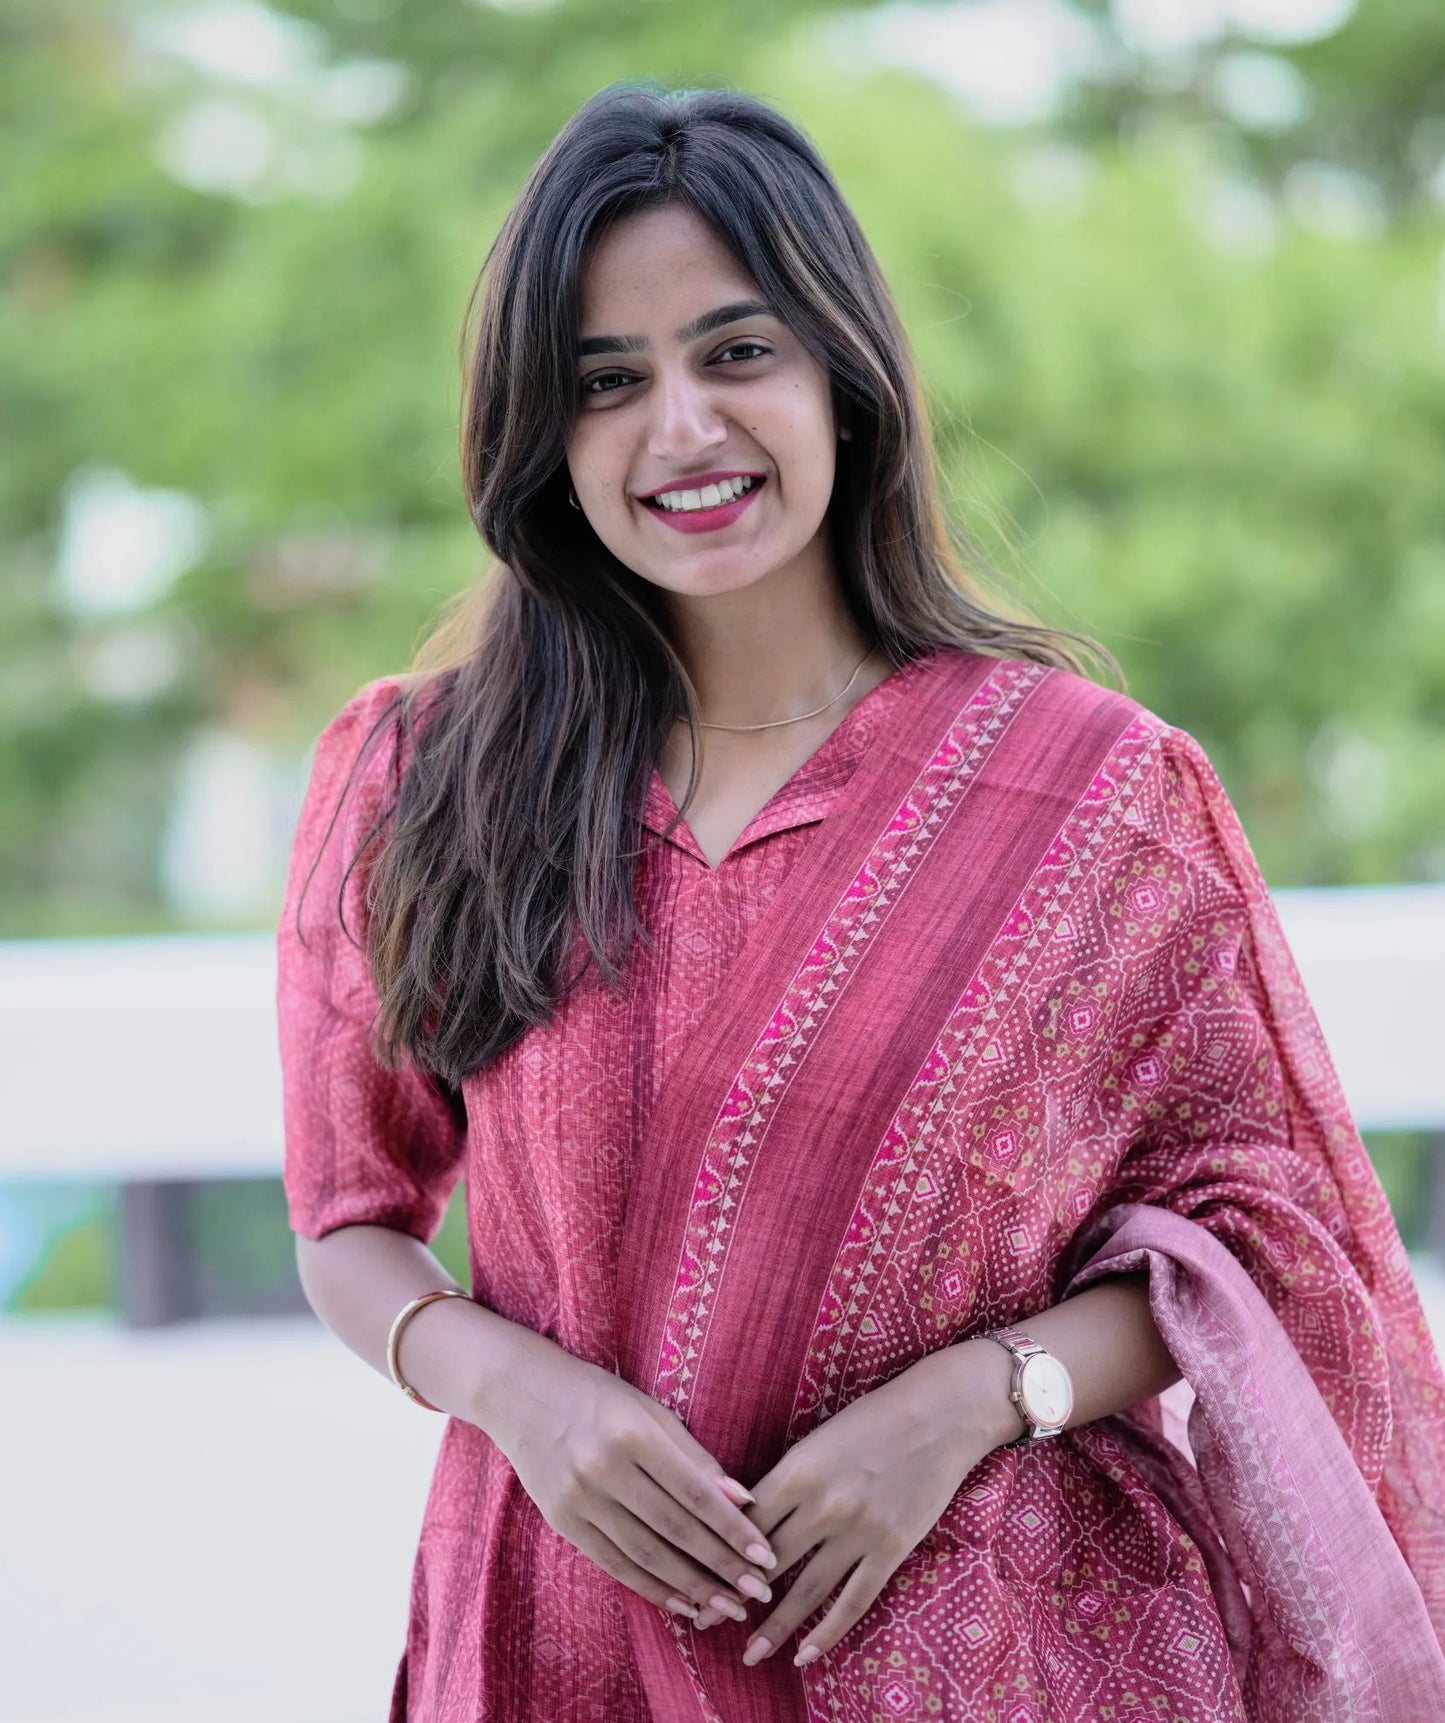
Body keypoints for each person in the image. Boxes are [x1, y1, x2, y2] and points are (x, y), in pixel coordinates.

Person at [277, 81, 1445, 1723]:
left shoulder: (1093, 794)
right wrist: (520, 1396)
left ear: (844, 371)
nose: (680, 428)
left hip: (1001, 1651)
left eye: (736, 353)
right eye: (606, 383)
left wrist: (978, 1397)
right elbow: (347, 1218)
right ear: (539, 436)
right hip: (566, 1634)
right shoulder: (428, 778)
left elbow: (1273, 1239)